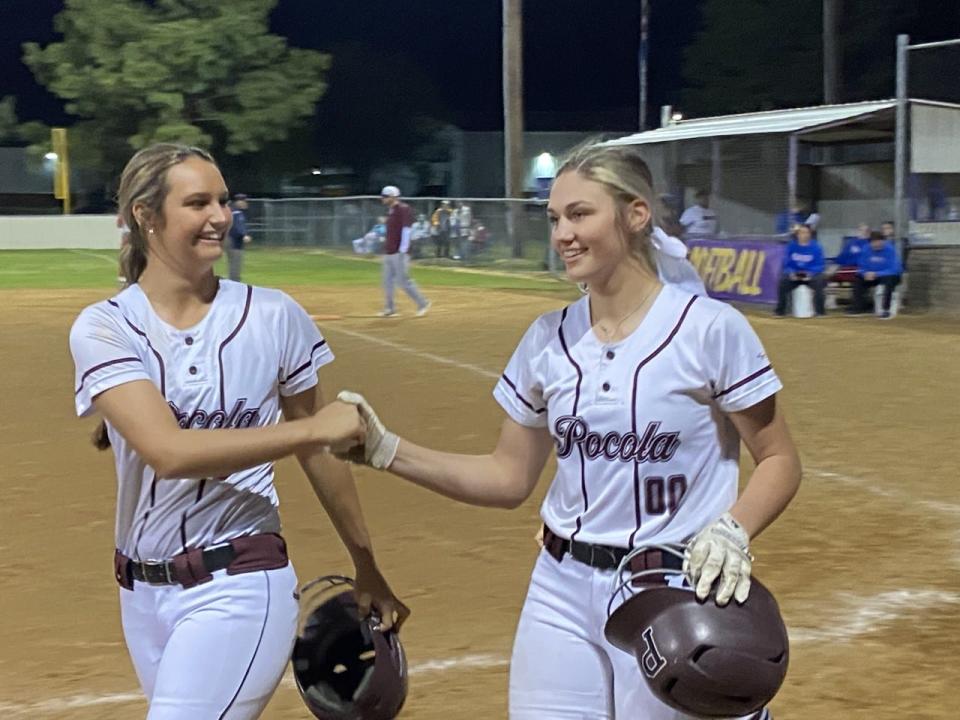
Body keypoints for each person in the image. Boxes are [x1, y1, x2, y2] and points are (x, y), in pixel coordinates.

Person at [339, 142, 801, 719]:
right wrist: (386, 449)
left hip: (671, 593)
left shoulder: (708, 329)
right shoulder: (546, 338)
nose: (562, 233)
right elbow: (508, 477)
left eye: (580, 214)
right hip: (559, 590)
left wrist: (735, 530)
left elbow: (778, 458)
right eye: (555, 218)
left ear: (635, 215)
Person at [68, 143, 409, 720]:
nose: (220, 216)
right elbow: (169, 452)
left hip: (240, 583)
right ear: (147, 216)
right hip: (141, 595)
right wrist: (306, 432)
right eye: (198, 202)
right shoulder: (106, 328)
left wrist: (365, 563)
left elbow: (321, 456)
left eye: (222, 200)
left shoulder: (274, 316)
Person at [378, 185, 431, 317]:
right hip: (389, 251)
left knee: (403, 281)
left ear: (393, 197)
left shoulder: (403, 209)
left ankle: (422, 303)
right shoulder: (390, 211)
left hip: (399, 252)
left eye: (385, 196)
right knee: (387, 281)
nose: (383, 199)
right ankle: (390, 308)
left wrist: (403, 249)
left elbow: (406, 230)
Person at [774, 223, 827, 317]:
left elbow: (820, 265)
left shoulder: (817, 247)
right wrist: (791, 273)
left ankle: (820, 312)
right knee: (782, 282)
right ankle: (780, 311)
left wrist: (810, 273)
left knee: (819, 282)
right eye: (802, 232)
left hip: (811, 275)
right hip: (795, 274)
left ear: (810, 234)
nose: (804, 235)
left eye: (807, 232)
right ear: (797, 234)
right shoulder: (791, 246)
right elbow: (786, 263)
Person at [849, 230, 903, 319]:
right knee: (858, 279)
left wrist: (877, 274)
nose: (876, 244)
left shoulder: (890, 250)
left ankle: (886, 310)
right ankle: (858, 308)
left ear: (883, 241)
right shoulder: (865, 249)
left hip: (889, 276)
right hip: (872, 276)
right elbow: (861, 266)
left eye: (879, 242)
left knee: (888, 282)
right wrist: (864, 273)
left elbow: (895, 269)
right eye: (874, 242)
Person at [227, 193, 252, 281]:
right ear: (239, 202)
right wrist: (244, 235)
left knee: (234, 262)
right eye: (244, 201)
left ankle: (234, 281)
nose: (246, 203)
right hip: (234, 241)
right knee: (235, 262)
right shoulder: (236, 212)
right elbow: (238, 225)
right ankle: (234, 282)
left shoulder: (233, 210)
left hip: (233, 240)